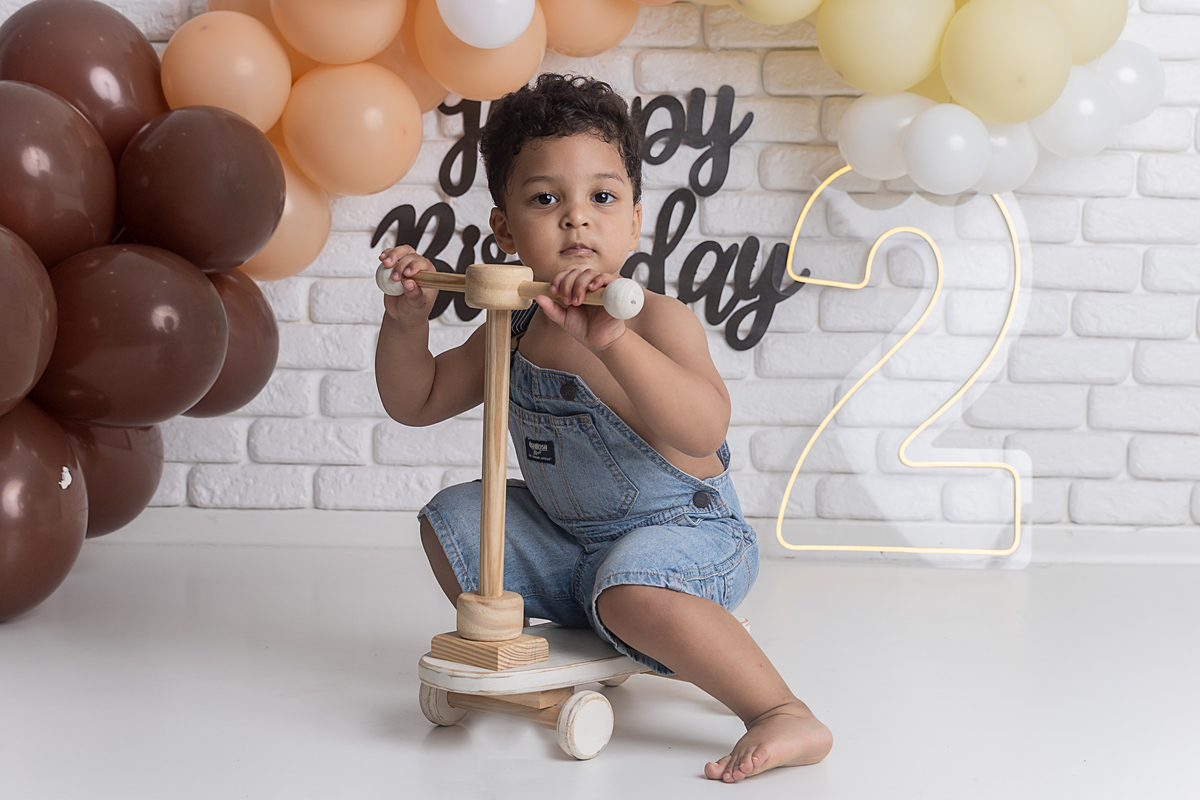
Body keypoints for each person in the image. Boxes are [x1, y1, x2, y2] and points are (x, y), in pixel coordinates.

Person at [375, 73, 831, 782]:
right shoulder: (513, 323)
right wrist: (404, 324)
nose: (576, 219)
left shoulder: (652, 319)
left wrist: (613, 341)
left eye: (602, 197)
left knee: (634, 585)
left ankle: (779, 710)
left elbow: (704, 426)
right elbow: (419, 399)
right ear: (505, 229)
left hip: (691, 539)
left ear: (634, 222)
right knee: (453, 522)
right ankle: (617, 628)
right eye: (545, 198)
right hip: (574, 550)